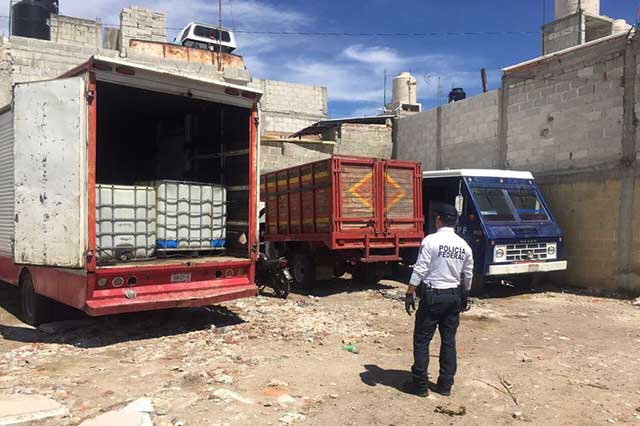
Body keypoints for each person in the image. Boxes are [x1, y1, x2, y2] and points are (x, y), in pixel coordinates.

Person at [403, 203, 474, 397]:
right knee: (449, 341)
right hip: (454, 297)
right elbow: (468, 273)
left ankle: (420, 385)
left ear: (438, 220)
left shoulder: (431, 241)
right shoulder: (463, 245)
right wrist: (466, 293)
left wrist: (410, 292)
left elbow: (420, 268)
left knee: (422, 340)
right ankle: (445, 385)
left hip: (433, 297)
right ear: (455, 222)